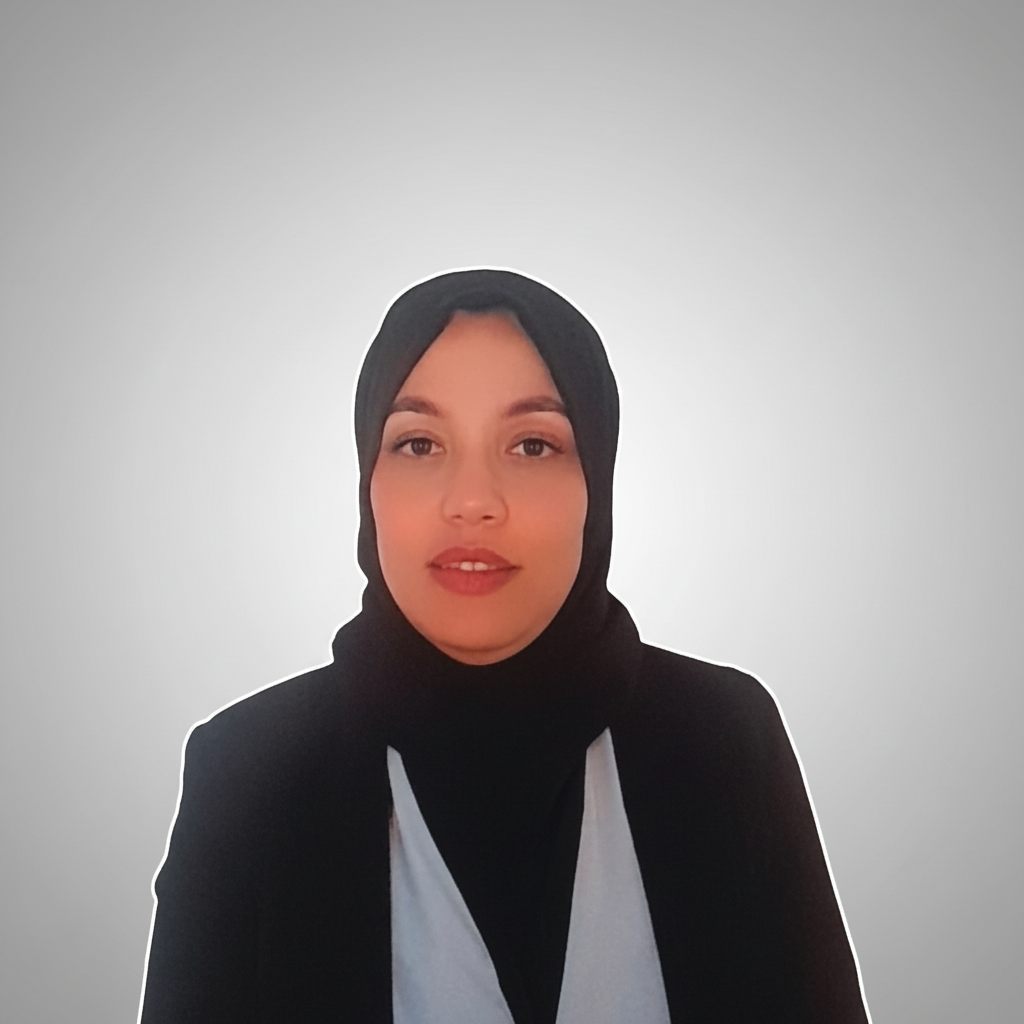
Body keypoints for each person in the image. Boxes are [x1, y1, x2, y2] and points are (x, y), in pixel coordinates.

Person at [140, 269, 870, 1023]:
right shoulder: (251, 773)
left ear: (597, 483)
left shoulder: (723, 739)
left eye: (532, 444)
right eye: (419, 443)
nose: (473, 502)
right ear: (367, 484)